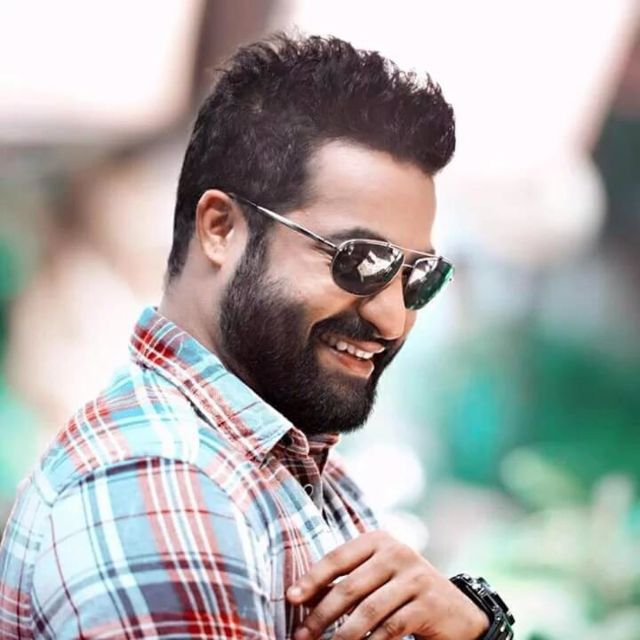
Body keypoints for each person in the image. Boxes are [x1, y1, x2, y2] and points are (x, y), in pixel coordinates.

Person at [0, 34, 511, 640]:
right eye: (359, 260)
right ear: (220, 229)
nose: (393, 319)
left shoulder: (286, 463)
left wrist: (479, 628)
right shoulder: (169, 491)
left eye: (417, 277)